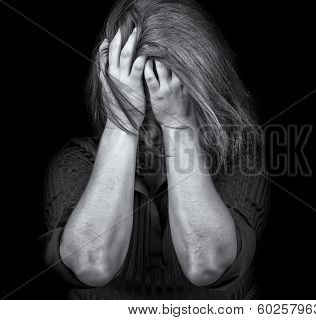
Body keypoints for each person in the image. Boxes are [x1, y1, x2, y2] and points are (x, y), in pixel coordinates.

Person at [42, 0, 270, 299]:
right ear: (111, 92)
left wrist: (179, 127)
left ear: (203, 96)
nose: (151, 130)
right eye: (136, 102)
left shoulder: (240, 160)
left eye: (167, 99)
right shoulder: (76, 162)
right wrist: (122, 124)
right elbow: (92, 264)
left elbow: (207, 265)